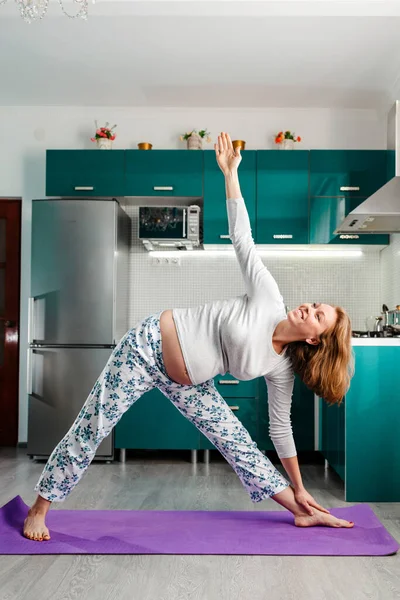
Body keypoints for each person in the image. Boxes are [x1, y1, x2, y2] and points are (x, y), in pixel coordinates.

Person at [24, 132, 355, 542]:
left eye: (317, 315)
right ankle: (40, 508)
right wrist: (230, 174)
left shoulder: (281, 366)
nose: (308, 307)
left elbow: (279, 430)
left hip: (190, 383)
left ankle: (301, 511)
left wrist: (301, 487)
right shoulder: (269, 297)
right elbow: (242, 239)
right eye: (315, 304)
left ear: (315, 341)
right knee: (94, 425)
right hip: (146, 348)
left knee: (238, 442)